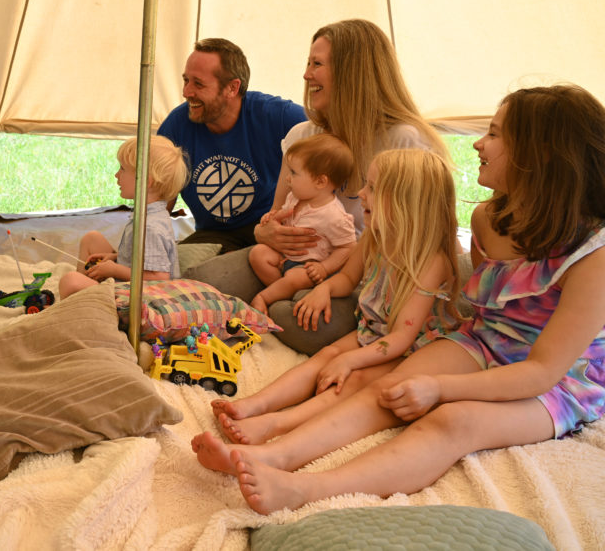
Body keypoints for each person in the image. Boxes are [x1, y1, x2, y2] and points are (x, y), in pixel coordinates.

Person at [191, 84, 605, 514]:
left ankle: (307, 489)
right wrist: (425, 381)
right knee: (391, 387)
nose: (479, 143)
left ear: (540, 156)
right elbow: (483, 320)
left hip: (560, 380)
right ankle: (272, 455)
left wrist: (440, 388)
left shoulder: (594, 254)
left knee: (453, 419)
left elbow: (540, 371)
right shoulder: (488, 219)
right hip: (484, 340)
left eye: (496, 134)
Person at [217, 148, 461, 445]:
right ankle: (255, 404)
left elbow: (401, 338)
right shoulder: (375, 237)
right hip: (373, 331)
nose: (361, 193)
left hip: (414, 349)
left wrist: (352, 361)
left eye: (372, 187)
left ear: (404, 201)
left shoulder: (432, 262)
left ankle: (277, 425)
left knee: (351, 379)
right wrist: (324, 289)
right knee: (327, 355)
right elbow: (347, 278)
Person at [257, 19, 449, 355]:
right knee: (213, 279)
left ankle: (281, 301)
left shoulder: (404, 141)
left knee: (299, 319)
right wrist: (266, 234)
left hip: (357, 275)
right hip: (290, 261)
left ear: (352, 74)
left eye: (317, 64)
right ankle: (279, 296)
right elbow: (276, 214)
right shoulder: (302, 137)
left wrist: (329, 277)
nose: (306, 75)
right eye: (308, 63)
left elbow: (426, 240)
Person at [157, 38, 306, 254]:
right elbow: (157, 202)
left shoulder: (279, 116)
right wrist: (134, 254)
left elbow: (331, 147)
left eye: (198, 84)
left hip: (272, 229)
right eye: (185, 80)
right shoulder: (176, 126)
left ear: (232, 87)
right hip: (214, 235)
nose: (186, 92)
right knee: (181, 264)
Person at [59, 135, 189, 298]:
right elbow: (143, 260)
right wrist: (115, 258)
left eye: (122, 169)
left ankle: (81, 299)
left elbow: (159, 279)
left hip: (142, 300)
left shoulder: (150, 228)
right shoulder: (149, 214)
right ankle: (87, 289)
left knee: (70, 281)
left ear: (146, 181)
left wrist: (114, 269)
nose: (116, 175)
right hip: (131, 282)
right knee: (92, 239)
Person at [247, 133, 356, 313]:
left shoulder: (334, 216)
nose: (288, 178)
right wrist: (272, 217)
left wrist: (324, 267)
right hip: (286, 256)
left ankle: (264, 297)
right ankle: (283, 292)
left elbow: (349, 248)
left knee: (295, 278)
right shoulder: (295, 196)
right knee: (257, 253)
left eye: (294, 173)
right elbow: (283, 216)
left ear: (320, 181)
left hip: (311, 265)